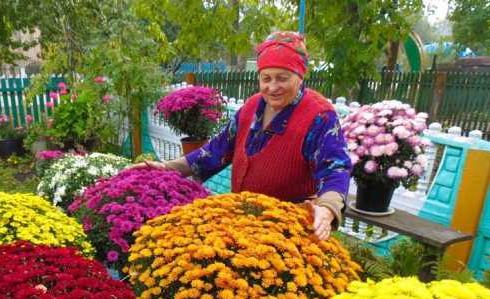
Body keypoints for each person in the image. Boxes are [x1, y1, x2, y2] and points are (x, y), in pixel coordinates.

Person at [133, 31, 352, 240]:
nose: (273, 87)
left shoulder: (320, 116)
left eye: (282, 78)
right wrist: (169, 168)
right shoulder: (252, 107)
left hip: (289, 231)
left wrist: (327, 208)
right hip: (243, 223)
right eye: (266, 78)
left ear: (299, 76)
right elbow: (217, 150)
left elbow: (336, 167)